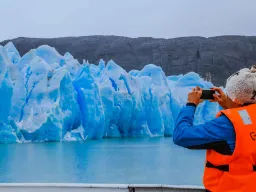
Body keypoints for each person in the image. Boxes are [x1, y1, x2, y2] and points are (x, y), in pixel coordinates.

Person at [173, 65, 256, 192]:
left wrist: (190, 105)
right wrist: (231, 105)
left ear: (236, 98)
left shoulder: (226, 125)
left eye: (229, 94)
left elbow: (181, 136)